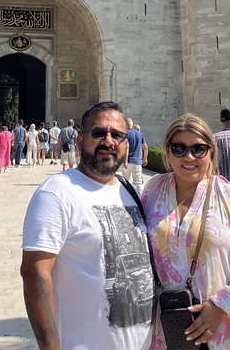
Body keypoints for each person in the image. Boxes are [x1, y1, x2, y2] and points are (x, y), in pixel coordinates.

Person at [21, 102, 153, 350]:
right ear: (80, 141)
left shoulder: (130, 191)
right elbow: (35, 273)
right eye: (99, 133)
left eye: (117, 135)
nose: (108, 141)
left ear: (126, 145)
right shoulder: (57, 192)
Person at [142, 113, 230, 349]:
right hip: (168, 325)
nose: (188, 156)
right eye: (179, 148)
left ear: (210, 151)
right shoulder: (153, 190)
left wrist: (221, 306)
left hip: (221, 326)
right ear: (168, 151)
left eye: (198, 149)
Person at [120, 117, 148, 192]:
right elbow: (145, 147)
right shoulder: (140, 134)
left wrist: (124, 160)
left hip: (128, 161)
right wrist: (145, 158)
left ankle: (125, 199)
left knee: (125, 182)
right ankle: (141, 201)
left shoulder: (126, 134)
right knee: (138, 183)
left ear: (126, 125)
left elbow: (126, 147)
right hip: (137, 162)